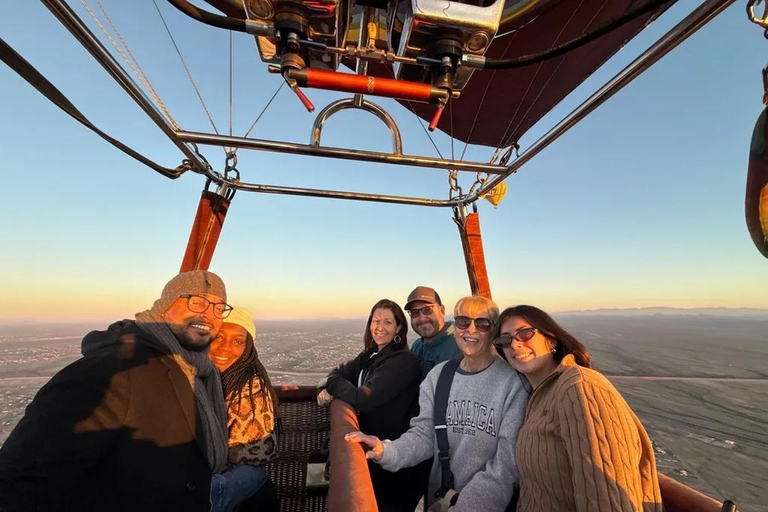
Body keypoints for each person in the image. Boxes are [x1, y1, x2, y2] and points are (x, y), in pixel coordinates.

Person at [0, 270, 231, 512]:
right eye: (197, 302)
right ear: (165, 305)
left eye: (219, 307)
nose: (208, 314)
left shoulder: (197, 369)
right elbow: (25, 475)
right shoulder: (111, 369)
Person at [346, 296, 529, 512]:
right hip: (440, 499)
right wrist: (386, 450)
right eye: (462, 321)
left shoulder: (513, 384)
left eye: (481, 323)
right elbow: (424, 436)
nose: (470, 330)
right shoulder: (438, 377)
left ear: (494, 330)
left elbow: (505, 468)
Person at [493, 305, 663, 512]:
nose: (515, 345)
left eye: (525, 333)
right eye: (505, 340)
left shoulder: (580, 386)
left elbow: (607, 500)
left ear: (551, 339)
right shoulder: (539, 396)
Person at [317, 299, 429, 512]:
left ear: (398, 328)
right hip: (376, 455)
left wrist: (329, 384)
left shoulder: (403, 362)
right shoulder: (370, 355)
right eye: (375, 321)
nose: (380, 327)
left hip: (399, 465)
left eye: (387, 322)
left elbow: (362, 399)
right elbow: (340, 373)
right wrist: (331, 382)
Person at [207, 306, 281, 512]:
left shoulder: (249, 388)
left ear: (247, 348)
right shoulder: (203, 378)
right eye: (218, 337)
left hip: (243, 498)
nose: (225, 348)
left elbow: (249, 457)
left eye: (238, 341)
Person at [405, 286, 462, 379]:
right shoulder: (417, 347)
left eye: (427, 310)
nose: (422, 318)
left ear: (442, 310)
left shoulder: (460, 343)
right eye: (415, 312)